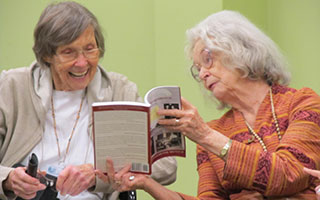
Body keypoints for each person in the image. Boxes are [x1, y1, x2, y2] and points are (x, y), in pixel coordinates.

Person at [96, 10, 320, 199]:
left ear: (241, 49)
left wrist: (205, 135)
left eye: (207, 60)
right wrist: (147, 183)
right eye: (197, 68)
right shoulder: (217, 130)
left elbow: (289, 174)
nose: (202, 74)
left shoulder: (303, 103)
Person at [0, 1, 177, 200]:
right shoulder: (11, 87)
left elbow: (166, 166)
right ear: (47, 55)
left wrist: (96, 174)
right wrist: (7, 179)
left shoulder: (120, 90)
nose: (82, 62)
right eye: (69, 52)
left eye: (90, 49)